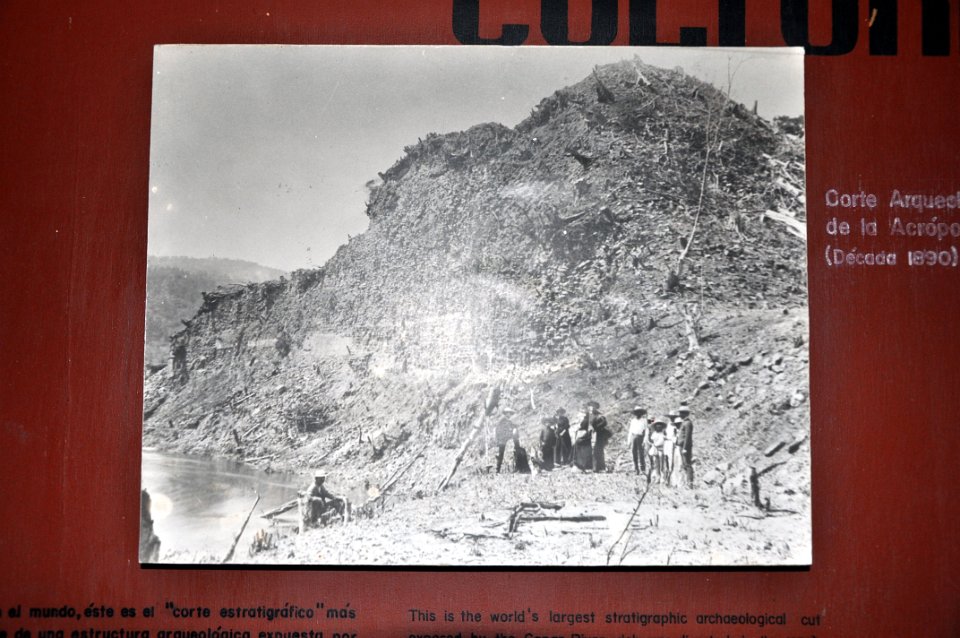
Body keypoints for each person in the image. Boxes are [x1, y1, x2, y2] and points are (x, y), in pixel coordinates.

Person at [583, 401, 610, 472]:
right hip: (589, 434)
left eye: (593, 406)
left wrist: (596, 427)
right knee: (588, 450)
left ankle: (599, 467)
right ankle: (589, 467)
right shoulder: (588, 415)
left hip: (598, 435)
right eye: (590, 406)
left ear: (596, 407)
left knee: (597, 450)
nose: (592, 408)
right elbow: (584, 425)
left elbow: (604, 423)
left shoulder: (600, 415)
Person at [494, 407, 519, 473]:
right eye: (508, 413)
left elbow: (512, 428)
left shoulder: (508, 421)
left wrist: (514, 428)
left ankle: (500, 469)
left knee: (503, 453)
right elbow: (500, 430)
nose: (510, 414)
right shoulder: (503, 420)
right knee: (501, 454)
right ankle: (497, 469)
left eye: (510, 413)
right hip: (502, 440)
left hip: (505, 439)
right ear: (506, 413)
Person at [626, 406, 649, 475]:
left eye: (639, 412)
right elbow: (630, 431)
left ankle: (643, 469)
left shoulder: (644, 420)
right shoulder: (633, 421)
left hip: (640, 437)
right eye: (637, 412)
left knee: (641, 453)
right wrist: (629, 441)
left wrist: (645, 440)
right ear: (635, 413)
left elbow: (646, 430)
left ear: (641, 413)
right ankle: (636, 469)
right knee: (634, 453)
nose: (638, 414)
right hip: (634, 437)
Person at [677, 404, 694, 485]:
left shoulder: (687, 423)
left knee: (687, 464)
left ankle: (690, 482)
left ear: (685, 414)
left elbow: (687, 436)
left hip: (685, 447)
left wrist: (684, 448)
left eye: (681, 413)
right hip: (682, 446)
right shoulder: (684, 422)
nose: (680, 414)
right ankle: (687, 482)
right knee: (684, 464)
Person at [647, 419, 667, 483]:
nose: (658, 427)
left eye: (660, 426)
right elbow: (652, 440)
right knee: (656, 464)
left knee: (662, 464)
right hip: (655, 450)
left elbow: (662, 442)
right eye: (657, 426)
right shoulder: (654, 434)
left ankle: (662, 478)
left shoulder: (662, 434)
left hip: (661, 450)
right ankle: (657, 477)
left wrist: (655, 444)